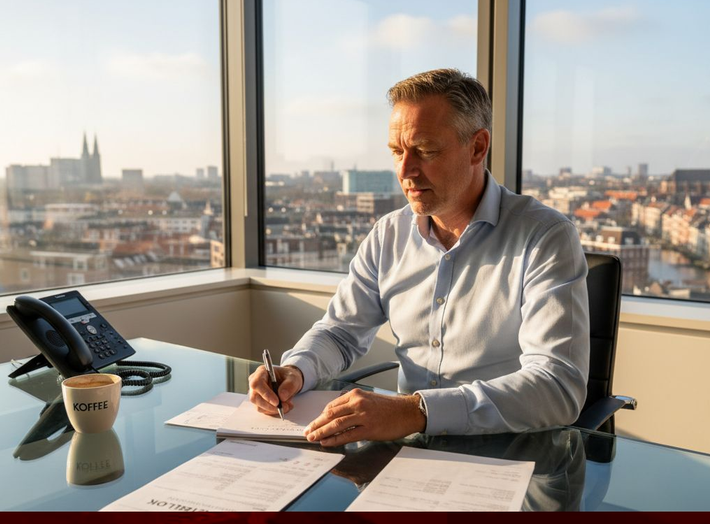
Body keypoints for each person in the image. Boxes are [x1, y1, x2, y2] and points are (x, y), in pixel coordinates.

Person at [249, 68, 589, 447]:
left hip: (509, 455)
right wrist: (298, 368)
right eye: (397, 152)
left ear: (477, 147)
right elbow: (341, 333)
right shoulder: (389, 234)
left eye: (425, 151)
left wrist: (418, 411)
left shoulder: (544, 237)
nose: (405, 171)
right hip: (408, 455)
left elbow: (558, 386)